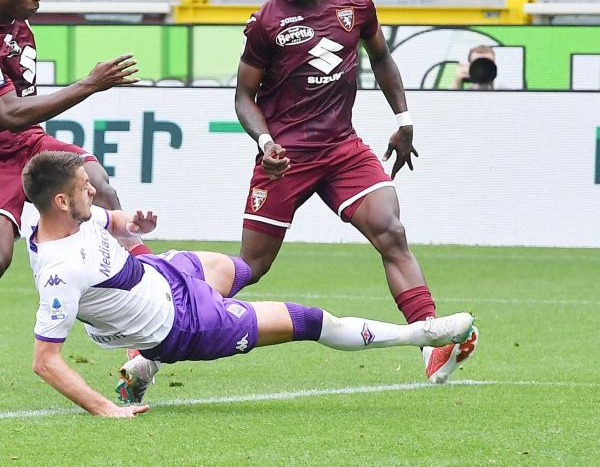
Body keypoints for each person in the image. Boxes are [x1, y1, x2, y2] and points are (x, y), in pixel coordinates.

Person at [23, 150, 477, 416]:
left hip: (165, 274)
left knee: (241, 269)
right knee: (309, 320)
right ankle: (425, 336)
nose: (93, 190)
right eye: (85, 187)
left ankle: (141, 364)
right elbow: (46, 361)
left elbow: (112, 219)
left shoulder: (56, 218)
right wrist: (107, 410)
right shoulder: (62, 272)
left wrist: (131, 222)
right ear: (62, 200)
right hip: (184, 323)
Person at [233, 0, 479, 385]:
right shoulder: (267, 21)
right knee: (253, 267)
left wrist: (403, 122)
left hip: (342, 148)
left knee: (391, 230)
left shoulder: (356, 4)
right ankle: (161, 339)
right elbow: (243, 95)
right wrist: (266, 144)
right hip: (286, 158)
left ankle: (432, 339)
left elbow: (382, 58)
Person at [0, 0, 149, 278]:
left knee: (100, 186)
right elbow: (8, 113)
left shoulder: (17, 23)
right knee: (1, 257)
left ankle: (149, 278)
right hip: (2, 152)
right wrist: (89, 84)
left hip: (31, 142)